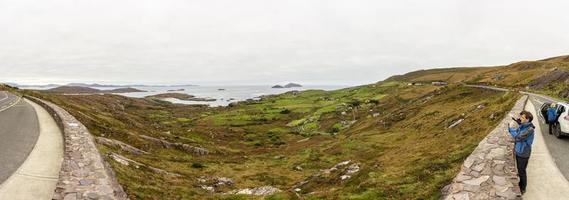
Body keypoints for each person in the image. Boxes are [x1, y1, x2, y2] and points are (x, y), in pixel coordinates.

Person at [508, 111, 535, 195]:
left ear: (527, 120)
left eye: (522, 117)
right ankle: (520, 185)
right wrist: (515, 120)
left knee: (522, 171)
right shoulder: (523, 125)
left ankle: (523, 188)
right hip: (519, 151)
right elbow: (518, 122)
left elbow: (518, 137)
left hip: (523, 154)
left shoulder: (529, 129)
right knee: (519, 170)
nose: (520, 118)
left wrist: (510, 129)